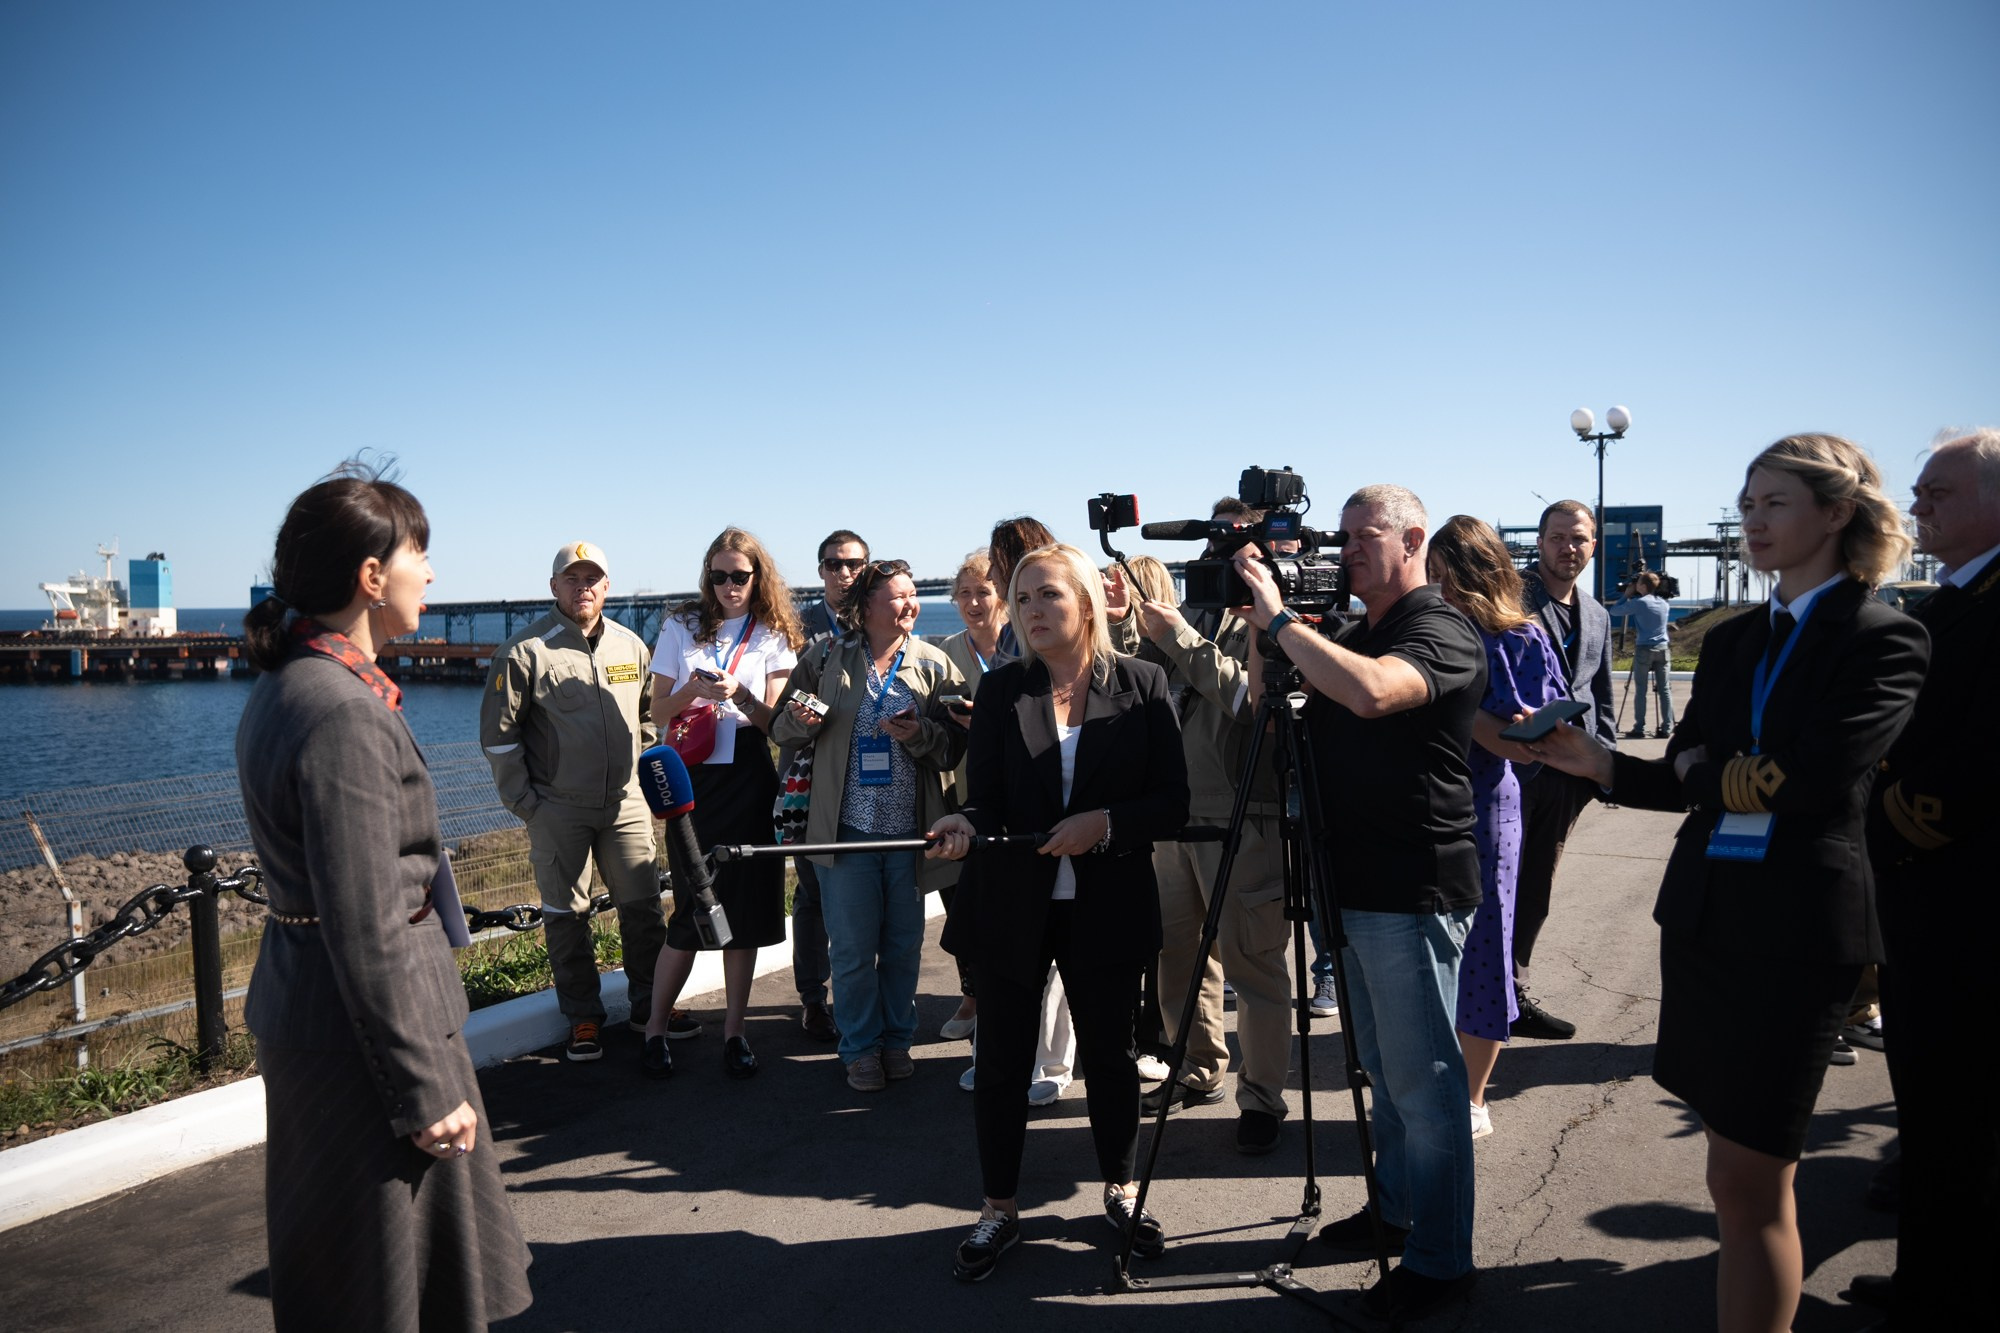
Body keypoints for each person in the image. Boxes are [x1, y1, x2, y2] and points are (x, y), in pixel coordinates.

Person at [1527, 434, 1926, 1333]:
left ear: (1838, 513)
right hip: (1709, 917)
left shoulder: (1884, 636)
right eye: (1746, 503)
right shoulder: (1743, 638)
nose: (1753, 520)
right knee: (1730, 1174)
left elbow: (1816, 774)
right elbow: (1680, 767)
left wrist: (1717, 770)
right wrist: (1601, 763)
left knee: (1754, 1180)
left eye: (1774, 502)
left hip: (1796, 930)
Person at [237, 463, 532, 1330]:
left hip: (318, 1015)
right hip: (370, 1046)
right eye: (420, 554)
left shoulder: (292, 685)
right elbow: (366, 921)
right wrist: (422, 1085)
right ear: (372, 576)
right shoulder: (343, 712)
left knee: (357, 1275)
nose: (432, 574)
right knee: (390, 1287)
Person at [1233, 484, 1485, 1324]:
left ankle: (1442, 1260)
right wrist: (1266, 629)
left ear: (1413, 538)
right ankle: (1397, 1208)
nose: (1345, 551)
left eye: (1361, 536)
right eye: (1339, 538)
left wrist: (1280, 623)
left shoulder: (1437, 628)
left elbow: (1376, 693)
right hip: (1353, 884)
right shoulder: (1349, 630)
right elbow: (1280, 714)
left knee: (1426, 1080)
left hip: (1411, 885)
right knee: (1384, 1072)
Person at [928, 543, 1189, 1283]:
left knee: (1110, 1059)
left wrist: (1102, 823)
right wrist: (964, 824)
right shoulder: (1005, 689)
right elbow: (985, 798)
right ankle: (998, 1206)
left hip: (1106, 905)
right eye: (1024, 598)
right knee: (1002, 1062)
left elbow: (1172, 801)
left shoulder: (1142, 683)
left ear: (1085, 600)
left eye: (1048, 595)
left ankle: (1121, 1188)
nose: (1032, 610)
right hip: (1013, 905)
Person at [1848, 427, 2000, 1330]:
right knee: (1933, 1111)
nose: (1920, 504)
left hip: (1963, 897)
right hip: (1927, 898)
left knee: (1960, 1114)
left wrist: (1893, 825)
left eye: (1939, 491)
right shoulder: (1954, 595)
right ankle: (1929, 1279)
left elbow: (1979, 754)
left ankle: (1949, 1296)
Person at [770, 559, 966, 1092]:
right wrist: (800, 720)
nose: (910, 605)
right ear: (867, 608)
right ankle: (859, 1050)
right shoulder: (827, 657)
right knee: (854, 951)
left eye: (912, 595)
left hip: (910, 835)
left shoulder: (932, 663)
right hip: (845, 834)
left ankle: (897, 1041)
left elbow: (952, 750)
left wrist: (918, 734)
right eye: (898, 597)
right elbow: (784, 727)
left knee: (903, 947)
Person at [1133, 540, 1296, 1156]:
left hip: (1243, 815)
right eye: (1215, 547)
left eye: (1239, 546)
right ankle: (1197, 1066)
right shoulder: (1191, 614)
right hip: (1173, 813)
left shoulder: (1276, 616)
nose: (1224, 559)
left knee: (1253, 963)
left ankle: (1261, 1099)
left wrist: (1178, 637)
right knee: (1178, 955)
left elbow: (1247, 702)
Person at [481, 541, 671, 1062]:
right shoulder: (524, 652)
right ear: (554, 587)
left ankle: (649, 1007)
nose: (583, 587)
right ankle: (583, 1017)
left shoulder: (631, 646)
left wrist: (642, 771)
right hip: (557, 807)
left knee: (644, 911)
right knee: (567, 916)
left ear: (606, 587)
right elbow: (499, 738)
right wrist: (529, 805)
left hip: (625, 804)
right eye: (572, 578)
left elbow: (650, 717)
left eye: (593, 579)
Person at [640, 528, 804, 1080]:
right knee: (691, 907)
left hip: (750, 779)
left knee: (749, 913)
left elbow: (775, 724)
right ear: (706, 578)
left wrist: (740, 694)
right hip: (693, 781)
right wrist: (695, 693)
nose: (729, 585)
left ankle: (735, 1032)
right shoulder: (680, 626)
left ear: (758, 578)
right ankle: (655, 1030)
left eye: (740, 576)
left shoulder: (773, 634)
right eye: (719, 576)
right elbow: (659, 707)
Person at [1425, 516, 1566, 1142]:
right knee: (1425, 958)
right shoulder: (1420, 633)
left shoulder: (1519, 638)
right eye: (1429, 576)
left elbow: (1542, 734)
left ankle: (1473, 1097)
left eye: (1444, 576)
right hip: (1422, 809)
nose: (1435, 589)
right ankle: (1429, 1089)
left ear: (1478, 574)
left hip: (1485, 808)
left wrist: (1493, 724)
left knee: (1483, 954)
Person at [1511, 500, 1616, 1041]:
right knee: (1499, 884)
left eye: (1578, 539)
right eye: (1557, 538)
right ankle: (1495, 994)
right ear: (1540, 541)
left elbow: (1598, 691)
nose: (1567, 548)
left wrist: (1606, 763)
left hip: (1568, 777)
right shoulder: (1512, 597)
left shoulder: (1597, 612)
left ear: (1592, 545)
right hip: (1515, 766)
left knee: (1536, 886)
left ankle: (1513, 987)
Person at [789, 528, 870, 1042]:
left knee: (871, 892)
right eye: (834, 564)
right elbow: (787, 703)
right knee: (815, 894)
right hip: (813, 780)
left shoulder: (884, 615)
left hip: (873, 781)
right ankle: (814, 999)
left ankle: (863, 996)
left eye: (855, 564)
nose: (845, 573)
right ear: (820, 570)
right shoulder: (795, 626)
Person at [935, 549, 1004, 1042]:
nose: (973, 603)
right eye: (964, 594)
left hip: (1015, 788)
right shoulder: (945, 652)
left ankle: (1004, 997)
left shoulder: (1024, 648)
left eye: (983, 592)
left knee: (1006, 900)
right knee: (961, 899)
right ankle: (972, 994)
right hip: (959, 790)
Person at [1611, 570, 1675, 739]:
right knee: (1665, 690)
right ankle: (1667, 727)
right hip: (1663, 648)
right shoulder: (1664, 603)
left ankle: (1640, 727)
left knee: (1641, 690)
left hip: (1644, 649)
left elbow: (1615, 611)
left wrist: (1626, 595)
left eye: (1638, 582)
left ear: (1643, 586)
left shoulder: (1640, 603)